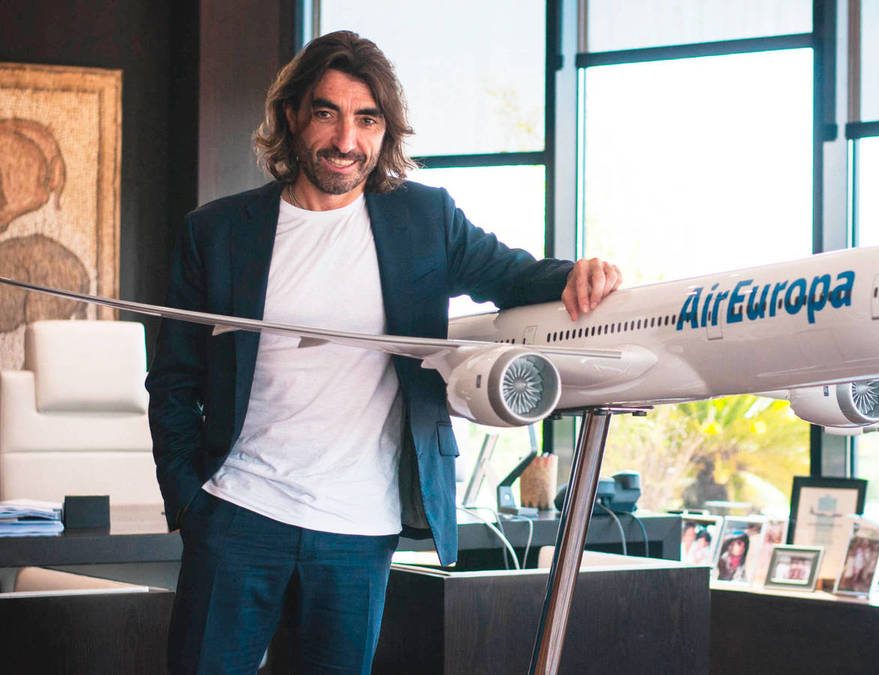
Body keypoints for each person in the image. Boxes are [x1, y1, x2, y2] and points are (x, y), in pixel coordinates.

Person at [146, 30, 620, 673]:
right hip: (236, 515)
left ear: (385, 130)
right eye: (327, 113)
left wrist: (578, 273)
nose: (347, 140)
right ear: (291, 117)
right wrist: (189, 503)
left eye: (367, 120)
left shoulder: (423, 221)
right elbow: (174, 379)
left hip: (358, 528)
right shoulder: (218, 231)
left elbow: (512, 275)